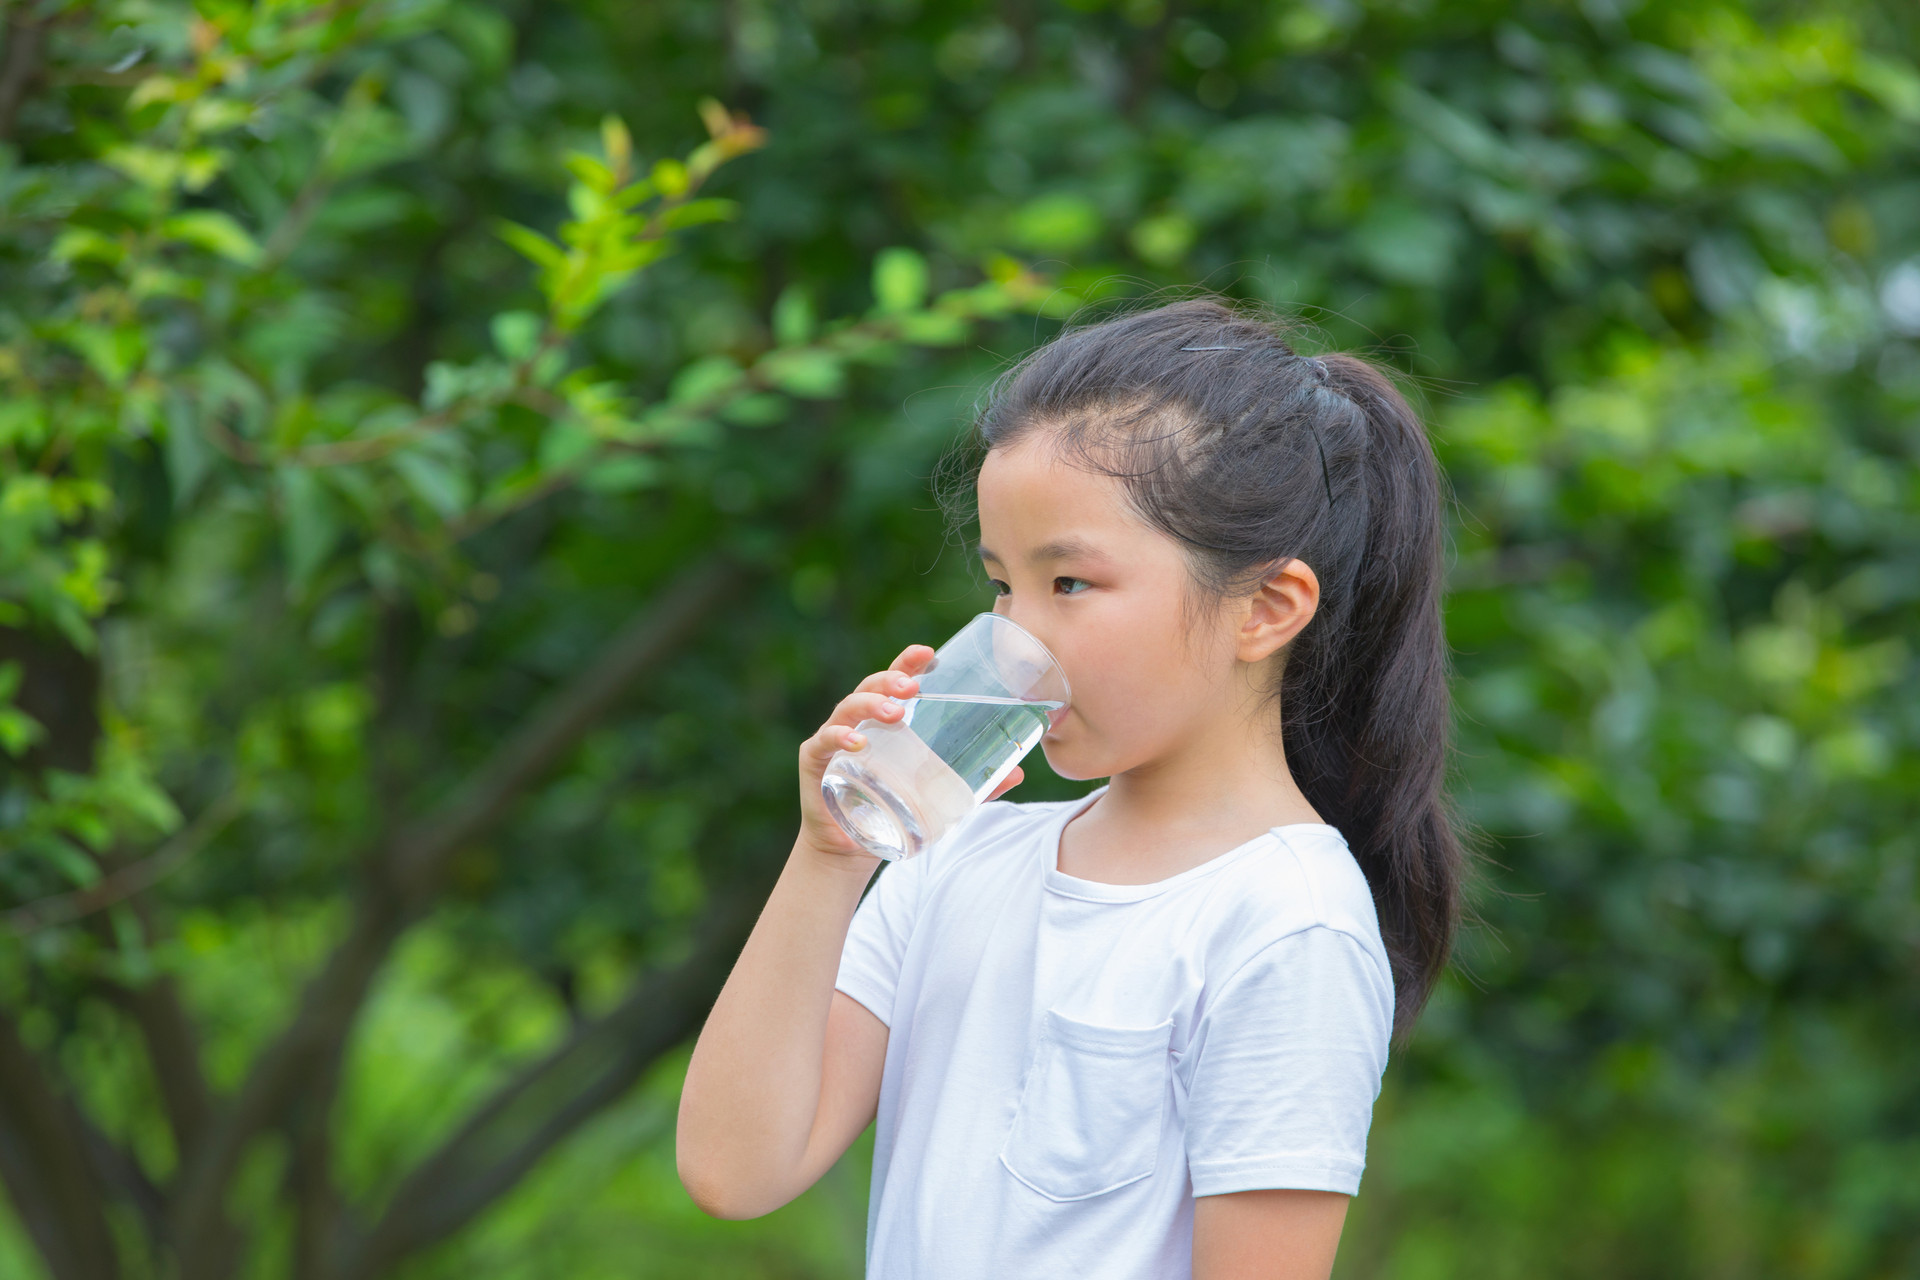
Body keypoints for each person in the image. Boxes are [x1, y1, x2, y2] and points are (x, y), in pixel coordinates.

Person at [676, 295, 1467, 1279]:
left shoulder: (1285, 921)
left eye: (1071, 585)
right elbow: (733, 1168)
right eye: (1004, 583)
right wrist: (831, 853)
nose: (1022, 633)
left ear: (1265, 606)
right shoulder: (953, 856)